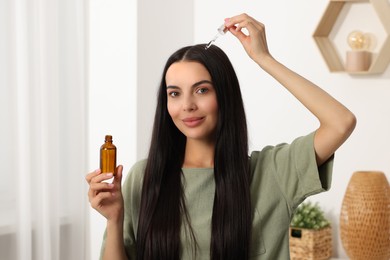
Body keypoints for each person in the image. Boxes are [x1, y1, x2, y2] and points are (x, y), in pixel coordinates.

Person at [86, 13, 356, 260]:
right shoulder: (144, 178)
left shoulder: (272, 173)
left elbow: (340, 122)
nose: (187, 105)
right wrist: (114, 220)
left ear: (224, 95)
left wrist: (264, 58)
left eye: (202, 90)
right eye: (175, 93)